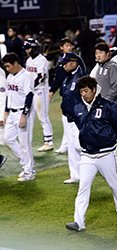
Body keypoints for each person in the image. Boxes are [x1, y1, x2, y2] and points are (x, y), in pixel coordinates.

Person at [65, 76, 117, 232]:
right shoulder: (78, 108)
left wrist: (108, 139)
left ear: (94, 90)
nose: (83, 94)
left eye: (86, 90)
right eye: (81, 91)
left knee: (114, 184)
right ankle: (78, 222)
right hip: (87, 155)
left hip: (105, 154)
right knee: (83, 187)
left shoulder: (109, 106)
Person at [51, 53, 86, 184]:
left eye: (66, 62)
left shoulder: (81, 77)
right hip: (67, 117)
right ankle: (76, 175)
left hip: (78, 118)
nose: (63, 65)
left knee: (80, 145)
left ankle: (88, 172)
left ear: (74, 62)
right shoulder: (68, 77)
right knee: (72, 147)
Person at [2, 53, 35, 181]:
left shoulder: (26, 76)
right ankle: (28, 164)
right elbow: (8, 95)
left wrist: (24, 115)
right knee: (7, 139)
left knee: (24, 144)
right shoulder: (10, 76)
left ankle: (29, 172)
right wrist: (5, 112)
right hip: (11, 113)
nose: (7, 69)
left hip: (22, 113)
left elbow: (29, 96)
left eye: (8, 66)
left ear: (16, 63)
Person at [23, 38, 54, 152]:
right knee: (29, 116)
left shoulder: (42, 60)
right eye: (26, 49)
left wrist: (30, 86)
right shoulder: (28, 61)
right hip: (31, 92)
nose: (27, 51)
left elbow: (41, 77)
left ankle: (49, 141)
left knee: (43, 116)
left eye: (28, 48)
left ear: (34, 48)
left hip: (41, 91)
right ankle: (27, 140)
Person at [90, 46, 117, 123]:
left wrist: (107, 99)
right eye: (97, 53)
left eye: (101, 53)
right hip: (103, 100)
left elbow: (116, 84)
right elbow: (92, 77)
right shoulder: (101, 64)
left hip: (116, 99)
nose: (98, 55)